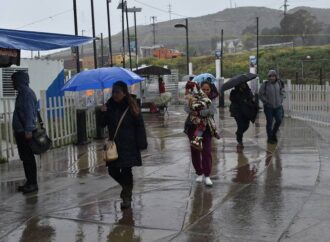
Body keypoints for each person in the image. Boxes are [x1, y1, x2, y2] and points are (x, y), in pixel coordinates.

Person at [101, 81, 147, 209]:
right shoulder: (109, 105)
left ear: (124, 92)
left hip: (129, 144)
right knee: (112, 170)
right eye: (113, 92)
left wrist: (142, 143)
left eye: (118, 92)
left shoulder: (131, 105)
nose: (115, 95)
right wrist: (102, 112)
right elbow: (101, 125)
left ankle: (126, 197)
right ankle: (127, 188)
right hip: (114, 146)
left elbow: (140, 125)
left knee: (127, 171)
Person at [184, 81, 218, 186]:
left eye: (208, 89)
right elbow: (186, 108)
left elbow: (212, 111)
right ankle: (199, 172)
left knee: (206, 151)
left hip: (206, 128)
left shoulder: (212, 98)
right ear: (200, 89)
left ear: (210, 90)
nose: (206, 91)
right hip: (194, 128)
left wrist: (199, 112)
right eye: (204, 89)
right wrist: (191, 108)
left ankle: (207, 175)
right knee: (195, 149)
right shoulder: (192, 96)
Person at [12, 71, 38, 194]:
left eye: (14, 80)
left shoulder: (26, 93)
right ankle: (29, 182)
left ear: (19, 81)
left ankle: (33, 183)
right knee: (26, 158)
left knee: (28, 158)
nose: (12, 83)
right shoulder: (23, 92)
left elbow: (29, 113)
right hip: (21, 131)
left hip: (25, 132)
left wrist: (28, 130)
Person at [259, 70, 285, 144]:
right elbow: (260, 94)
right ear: (268, 77)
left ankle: (273, 134)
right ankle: (270, 138)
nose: (272, 77)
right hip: (268, 107)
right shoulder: (265, 84)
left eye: (273, 76)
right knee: (269, 122)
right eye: (270, 76)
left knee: (279, 120)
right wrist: (266, 102)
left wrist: (281, 99)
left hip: (278, 106)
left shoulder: (279, 83)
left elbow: (282, 92)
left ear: (276, 76)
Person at [229, 82, 257, 151]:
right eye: (241, 84)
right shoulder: (234, 92)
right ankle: (240, 140)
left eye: (244, 84)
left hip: (246, 111)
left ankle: (238, 133)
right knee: (240, 125)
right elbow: (232, 99)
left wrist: (248, 98)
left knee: (246, 126)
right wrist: (239, 94)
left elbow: (251, 98)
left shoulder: (248, 91)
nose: (243, 85)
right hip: (237, 111)